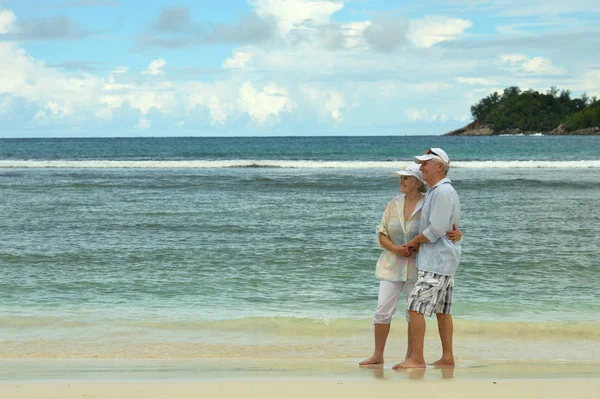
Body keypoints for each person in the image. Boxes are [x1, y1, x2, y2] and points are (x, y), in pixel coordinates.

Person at [359, 164, 461, 367]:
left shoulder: (428, 202)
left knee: (411, 312)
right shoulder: (393, 204)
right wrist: (396, 249)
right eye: (401, 177)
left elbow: (441, 228)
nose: (401, 181)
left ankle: (411, 357)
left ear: (418, 183)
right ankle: (378, 355)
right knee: (382, 310)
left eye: (406, 177)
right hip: (391, 264)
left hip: (419, 265)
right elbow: (381, 233)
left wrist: (459, 234)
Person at [395, 148, 461, 369]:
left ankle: (417, 358)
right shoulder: (439, 191)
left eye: (425, 164)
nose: (421, 168)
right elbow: (448, 227)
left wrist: (413, 242)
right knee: (443, 311)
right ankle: (447, 357)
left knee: (415, 308)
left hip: (437, 261)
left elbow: (437, 230)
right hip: (443, 260)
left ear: (439, 167)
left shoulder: (442, 192)